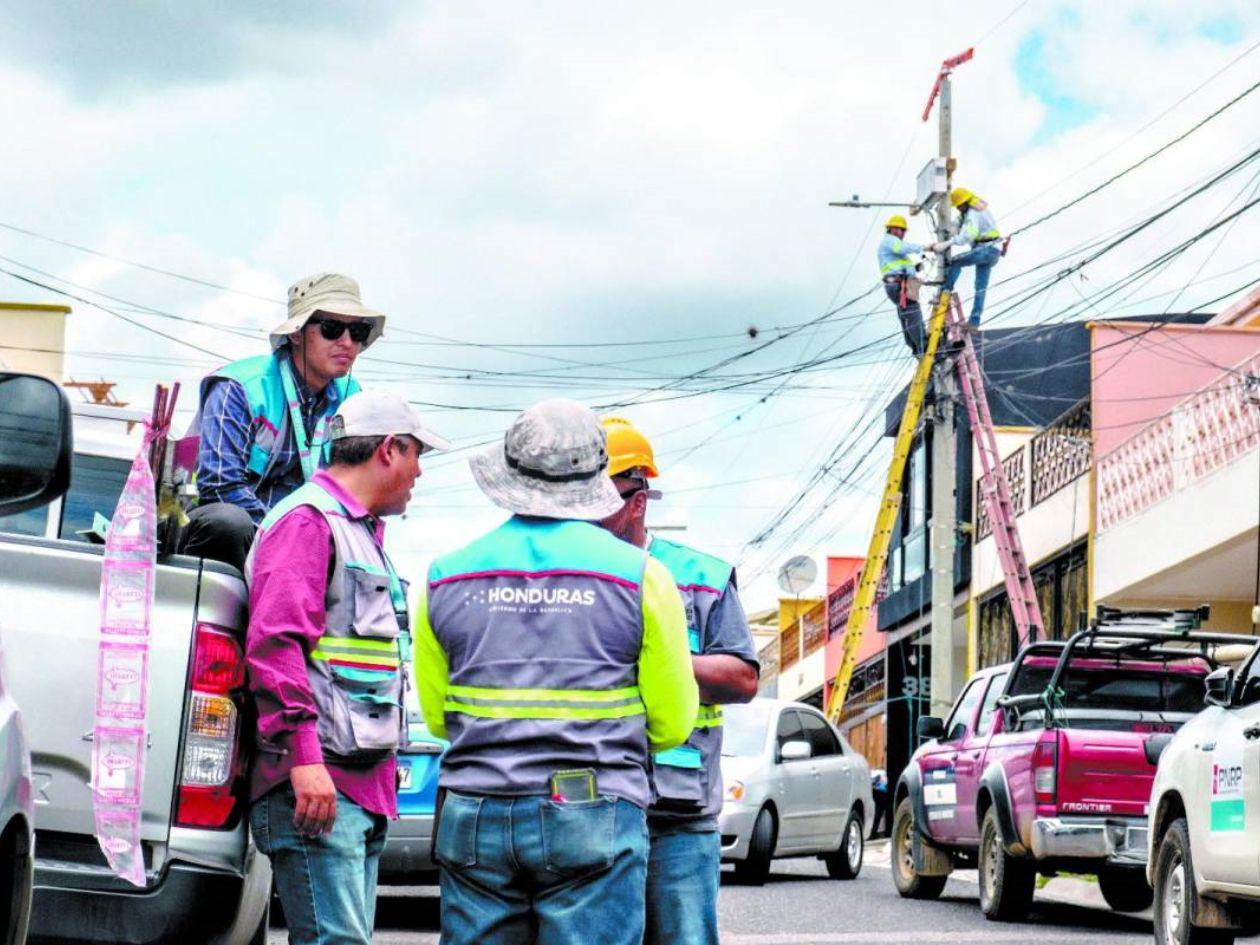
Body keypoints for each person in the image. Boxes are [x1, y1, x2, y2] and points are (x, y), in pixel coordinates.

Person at [412, 398, 699, 945]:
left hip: (476, 814)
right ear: (598, 477)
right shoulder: (643, 577)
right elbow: (671, 723)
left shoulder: (441, 578)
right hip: (594, 812)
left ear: (509, 473)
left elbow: (436, 717)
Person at [244, 389, 449, 945]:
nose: (420, 473)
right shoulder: (309, 524)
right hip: (317, 786)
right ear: (388, 450)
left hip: (355, 788)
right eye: (417, 455)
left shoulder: (357, 532)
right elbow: (275, 646)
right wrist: (303, 760)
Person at [599, 416, 759, 945]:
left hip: (677, 814)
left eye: (601, 499)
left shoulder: (699, 578)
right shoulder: (573, 575)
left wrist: (657, 658)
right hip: (589, 806)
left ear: (638, 501)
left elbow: (741, 677)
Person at [180, 272, 386, 571]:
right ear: (297, 334)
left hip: (304, 541)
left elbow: (356, 491)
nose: (347, 342)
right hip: (232, 534)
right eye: (332, 328)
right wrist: (288, 538)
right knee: (228, 522)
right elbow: (220, 486)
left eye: (358, 331)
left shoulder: (353, 400)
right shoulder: (240, 386)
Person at [934, 187, 1003, 328]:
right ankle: (974, 322)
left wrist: (948, 242)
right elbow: (957, 223)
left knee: (957, 261)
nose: (958, 208)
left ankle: (943, 292)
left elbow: (967, 236)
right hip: (991, 250)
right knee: (980, 287)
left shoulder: (974, 212)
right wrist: (946, 222)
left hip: (987, 249)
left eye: (960, 205)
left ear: (966, 202)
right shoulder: (970, 209)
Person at [877, 214, 928, 356]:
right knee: (912, 311)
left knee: (906, 313)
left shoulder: (897, 251)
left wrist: (916, 270)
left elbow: (904, 264)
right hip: (899, 283)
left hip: (902, 282)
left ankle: (916, 347)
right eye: (898, 229)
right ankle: (922, 345)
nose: (901, 233)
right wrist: (925, 247)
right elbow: (902, 248)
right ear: (891, 229)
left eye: (903, 230)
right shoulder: (890, 242)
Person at [870, 768, 890, 838]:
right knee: (879, 813)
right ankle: (874, 833)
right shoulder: (878, 774)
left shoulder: (877, 774)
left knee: (878, 813)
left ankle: (873, 833)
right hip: (881, 792)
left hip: (879, 792)